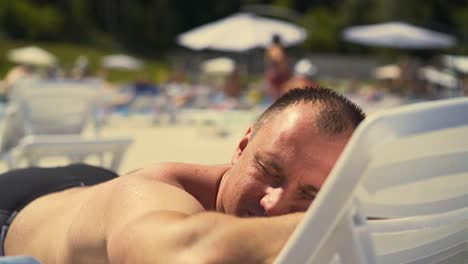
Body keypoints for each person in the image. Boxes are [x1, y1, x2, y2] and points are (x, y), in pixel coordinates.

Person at [1, 87, 365, 263]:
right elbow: (189, 256)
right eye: (269, 169)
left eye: (310, 194)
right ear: (241, 147)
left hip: (97, 191)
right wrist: (331, 219)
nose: (274, 204)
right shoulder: (149, 191)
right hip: (17, 209)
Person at [265, 34, 291, 100]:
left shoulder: (271, 49)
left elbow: (267, 60)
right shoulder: (278, 49)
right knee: (278, 91)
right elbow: (280, 60)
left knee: (274, 91)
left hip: (274, 72)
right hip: (278, 72)